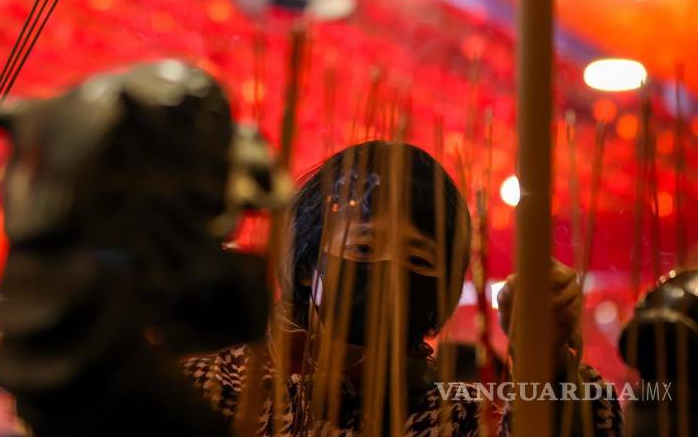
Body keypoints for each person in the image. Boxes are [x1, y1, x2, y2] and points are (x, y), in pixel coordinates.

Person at [185, 139, 621, 436]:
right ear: (306, 265)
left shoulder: (460, 417)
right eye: (365, 245)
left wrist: (544, 359)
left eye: (418, 259)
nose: (390, 272)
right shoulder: (218, 387)